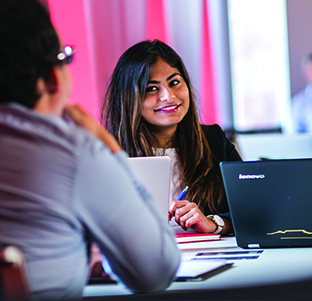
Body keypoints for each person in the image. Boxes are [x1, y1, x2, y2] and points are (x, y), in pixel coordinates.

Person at [0, 0, 180, 299]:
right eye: (64, 58)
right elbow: (155, 272)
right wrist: (110, 151)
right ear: (53, 76)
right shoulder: (75, 153)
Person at [101, 40, 241, 236]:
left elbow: (251, 212)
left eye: (175, 82)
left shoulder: (213, 141)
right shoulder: (107, 154)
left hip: (211, 258)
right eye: (151, 88)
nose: (168, 96)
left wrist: (213, 223)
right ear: (129, 98)